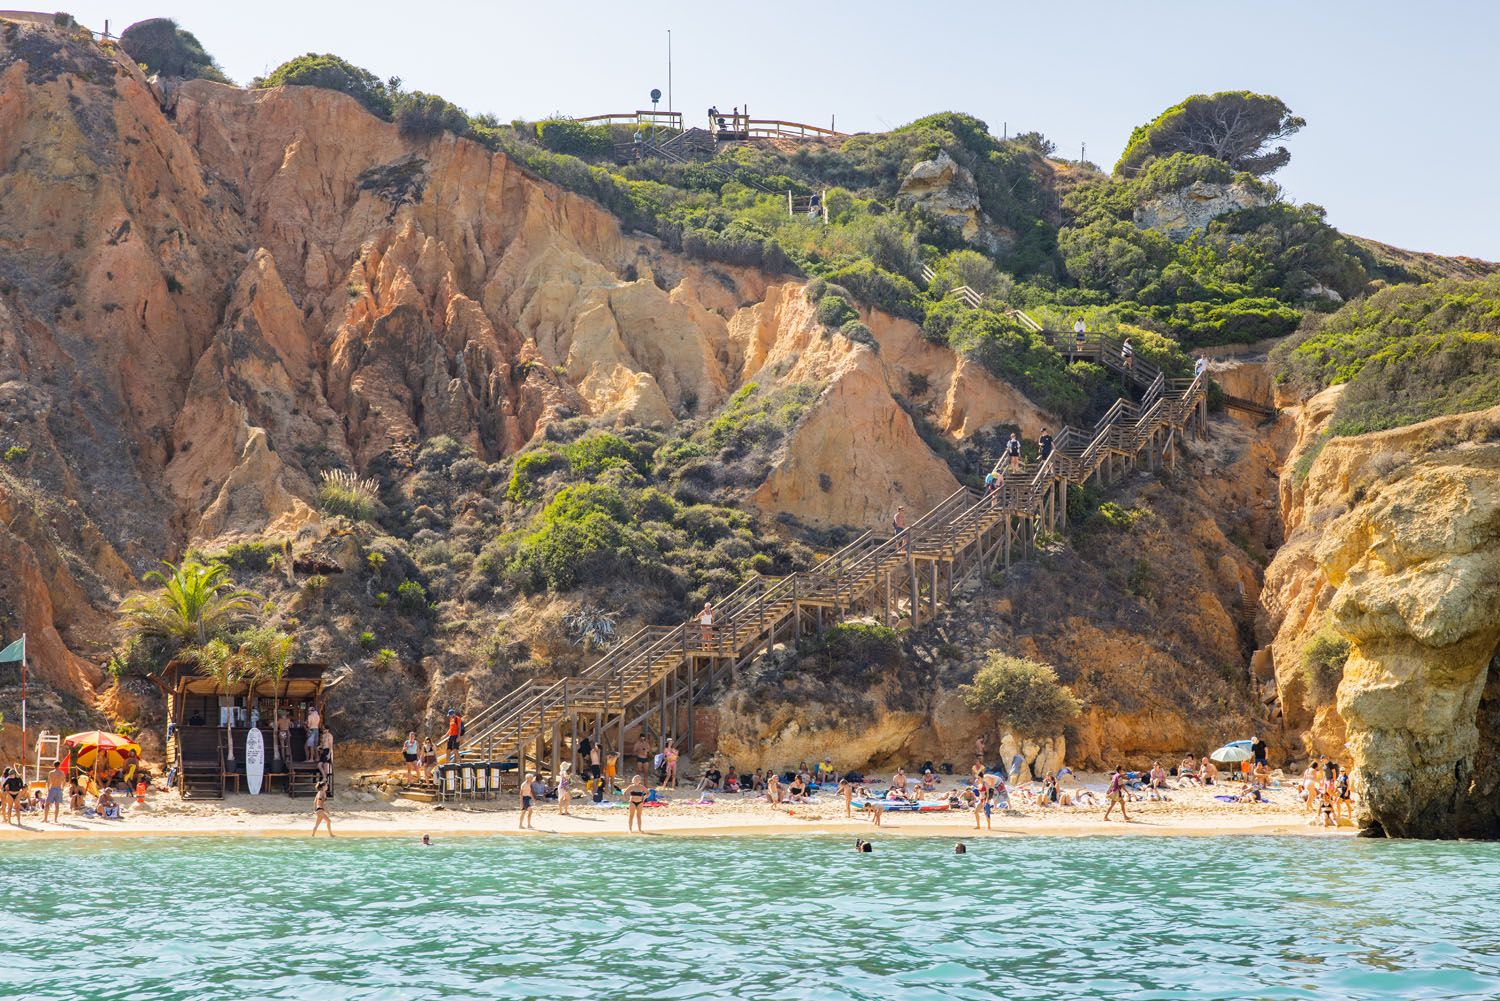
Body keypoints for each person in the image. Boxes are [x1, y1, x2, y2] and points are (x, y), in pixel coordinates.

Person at [45, 759, 65, 823]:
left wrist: (48, 788)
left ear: (54, 765)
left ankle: (45, 819)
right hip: (59, 789)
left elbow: (48, 782)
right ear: (59, 765)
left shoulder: (51, 773)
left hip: (53, 788)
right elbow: (64, 782)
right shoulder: (62, 773)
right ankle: (55, 819)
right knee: (57, 805)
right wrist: (62, 788)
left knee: (47, 804)